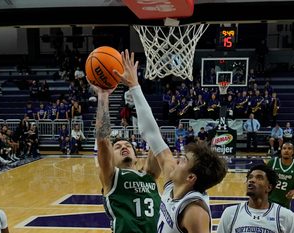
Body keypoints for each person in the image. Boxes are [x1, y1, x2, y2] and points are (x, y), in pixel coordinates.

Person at [115, 49, 227, 233]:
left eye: (183, 161)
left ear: (191, 178)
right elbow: (152, 134)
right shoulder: (174, 184)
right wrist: (134, 86)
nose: (176, 159)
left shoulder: (194, 212)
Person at [91, 81, 161, 233]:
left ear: (137, 158)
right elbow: (103, 140)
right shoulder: (111, 176)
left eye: (128, 146)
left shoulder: (149, 174)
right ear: (111, 158)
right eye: (117, 147)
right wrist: (103, 97)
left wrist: (136, 89)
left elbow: (156, 139)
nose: (124, 147)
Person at [217, 164, 294, 233]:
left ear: (269, 187)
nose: (251, 180)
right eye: (250, 177)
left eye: (259, 178)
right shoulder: (230, 213)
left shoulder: (286, 216)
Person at [266, 142, 294, 209]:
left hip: (285, 203)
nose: (286, 150)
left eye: (289, 148)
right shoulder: (272, 162)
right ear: (281, 151)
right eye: (284, 148)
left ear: (293, 152)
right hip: (269, 201)